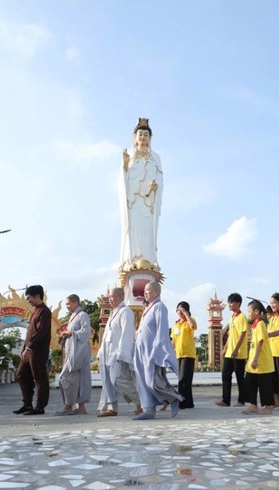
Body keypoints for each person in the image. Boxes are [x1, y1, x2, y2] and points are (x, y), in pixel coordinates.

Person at [133, 281, 182, 420]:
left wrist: (157, 350)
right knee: (142, 380)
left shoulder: (160, 307)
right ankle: (148, 410)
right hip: (140, 350)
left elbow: (162, 331)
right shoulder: (147, 308)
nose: (145, 293)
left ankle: (174, 398)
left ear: (156, 292)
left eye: (148, 290)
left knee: (152, 381)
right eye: (144, 291)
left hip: (151, 351)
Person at [119, 118, 163, 267]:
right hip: (134, 202)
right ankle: (132, 261)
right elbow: (123, 180)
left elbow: (160, 179)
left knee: (148, 233)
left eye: (146, 134)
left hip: (149, 202)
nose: (143, 137)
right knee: (133, 231)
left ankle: (149, 261)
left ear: (150, 138)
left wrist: (154, 187)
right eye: (140, 134)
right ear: (135, 137)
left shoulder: (155, 158)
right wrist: (125, 164)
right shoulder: (130, 155)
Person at [97, 287, 139, 418]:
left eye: (112, 297)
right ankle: (112, 408)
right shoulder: (113, 313)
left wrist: (122, 353)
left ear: (120, 297)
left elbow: (127, 334)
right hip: (107, 353)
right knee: (107, 381)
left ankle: (141, 402)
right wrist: (100, 352)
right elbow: (107, 335)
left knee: (118, 380)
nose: (110, 299)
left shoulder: (125, 312)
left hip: (117, 353)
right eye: (109, 297)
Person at [14, 285, 52, 415]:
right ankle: (27, 404)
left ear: (37, 296)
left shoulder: (44, 312)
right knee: (21, 375)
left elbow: (40, 332)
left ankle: (40, 407)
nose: (28, 300)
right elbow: (29, 333)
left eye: (29, 297)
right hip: (28, 351)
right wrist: (24, 349)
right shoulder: (35, 312)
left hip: (37, 351)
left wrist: (29, 347)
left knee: (40, 378)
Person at [55, 294, 92, 416]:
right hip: (72, 352)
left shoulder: (83, 315)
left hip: (79, 353)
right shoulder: (73, 316)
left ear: (76, 302)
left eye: (68, 304)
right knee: (76, 380)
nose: (67, 306)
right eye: (66, 304)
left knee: (65, 378)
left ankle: (68, 405)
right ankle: (80, 407)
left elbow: (86, 333)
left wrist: (70, 333)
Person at [243, 299, 275, 415]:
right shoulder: (254, 325)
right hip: (253, 360)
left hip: (262, 361)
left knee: (264, 385)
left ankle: (268, 406)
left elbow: (260, 342)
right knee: (250, 382)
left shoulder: (261, 324)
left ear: (256, 311)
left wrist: (256, 359)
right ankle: (253, 405)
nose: (248, 314)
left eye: (249, 311)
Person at [216, 293, 247, 407]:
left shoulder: (242, 317)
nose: (229, 304)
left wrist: (236, 349)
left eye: (231, 302)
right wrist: (225, 348)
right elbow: (230, 335)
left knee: (240, 378)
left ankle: (241, 400)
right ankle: (226, 400)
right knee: (225, 375)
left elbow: (243, 334)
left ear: (238, 303)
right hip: (229, 353)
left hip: (238, 353)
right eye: (229, 302)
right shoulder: (232, 317)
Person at [172, 301, 197, 409]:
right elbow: (173, 340)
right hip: (179, 354)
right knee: (184, 379)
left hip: (188, 353)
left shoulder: (190, 321)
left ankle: (182, 402)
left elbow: (193, 326)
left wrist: (186, 314)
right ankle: (189, 403)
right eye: (178, 310)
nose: (179, 312)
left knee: (183, 379)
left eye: (181, 310)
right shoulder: (176, 324)